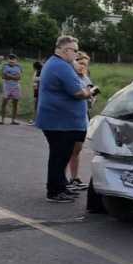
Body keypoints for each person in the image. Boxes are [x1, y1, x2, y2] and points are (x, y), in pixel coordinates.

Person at [37, 36, 99, 203]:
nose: (76, 54)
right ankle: (55, 191)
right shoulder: (60, 66)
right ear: (65, 50)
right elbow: (78, 92)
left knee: (62, 155)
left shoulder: (57, 63)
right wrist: (90, 92)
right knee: (59, 156)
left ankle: (61, 186)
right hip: (59, 122)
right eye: (75, 50)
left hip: (60, 121)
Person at [67, 52, 94, 190]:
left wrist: (91, 98)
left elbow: (89, 99)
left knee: (77, 149)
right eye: (80, 63)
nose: (82, 66)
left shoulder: (86, 79)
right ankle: (62, 178)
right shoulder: (70, 78)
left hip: (82, 117)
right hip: (70, 118)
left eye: (85, 64)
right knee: (66, 149)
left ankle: (74, 178)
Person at [0, 54, 22, 125]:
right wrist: (13, 76)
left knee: (15, 104)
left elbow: (19, 77)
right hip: (7, 87)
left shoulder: (18, 67)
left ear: (16, 60)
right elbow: (3, 76)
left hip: (16, 87)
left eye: (13, 59)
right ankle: (2, 120)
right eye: (10, 59)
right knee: (4, 103)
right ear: (8, 60)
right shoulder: (5, 66)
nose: (11, 60)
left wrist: (8, 75)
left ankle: (13, 120)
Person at [28, 60, 43, 125]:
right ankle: (35, 120)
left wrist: (35, 80)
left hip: (39, 90)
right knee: (37, 105)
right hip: (37, 90)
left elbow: (35, 79)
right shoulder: (38, 71)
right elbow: (34, 80)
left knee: (37, 105)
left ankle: (36, 120)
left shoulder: (40, 72)